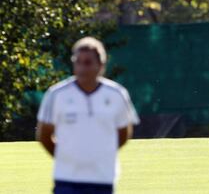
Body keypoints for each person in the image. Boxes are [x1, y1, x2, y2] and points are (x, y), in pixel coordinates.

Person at [36, 37, 139, 194]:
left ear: (101, 65)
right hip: (66, 179)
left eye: (88, 62)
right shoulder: (56, 94)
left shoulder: (117, 94)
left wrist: (101, 154)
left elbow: (124, 133)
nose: (82, 68)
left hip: (102, 178)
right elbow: (44, 135)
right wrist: (67, 158)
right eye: (78, 62)